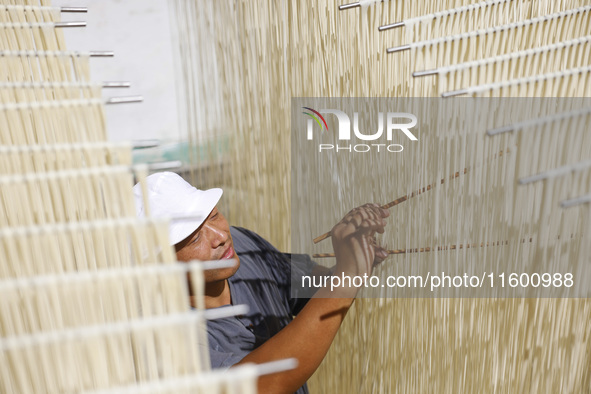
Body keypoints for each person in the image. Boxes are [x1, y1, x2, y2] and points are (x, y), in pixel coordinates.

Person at [133, 172, 389, 394]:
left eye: (213, 216)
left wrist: (356, 256)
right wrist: (348, 275)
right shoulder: (161, 337)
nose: (221, 236)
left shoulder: (240, 247)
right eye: (194, 239)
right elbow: (261, 386)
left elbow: (312, 290)